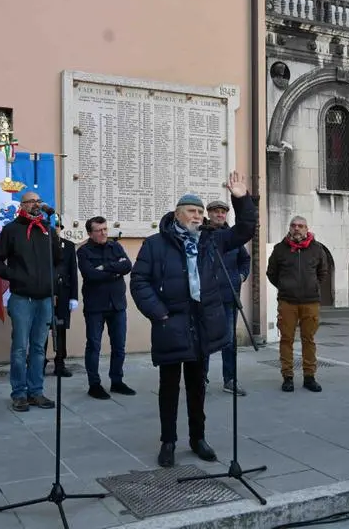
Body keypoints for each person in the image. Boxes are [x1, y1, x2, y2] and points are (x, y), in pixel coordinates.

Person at [130, 171, 256, 468]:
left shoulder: (211, 241)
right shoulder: (155, 244)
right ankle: (168, 441)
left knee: (198, 385)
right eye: (192, 210)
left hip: (202, 325)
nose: (198, 216)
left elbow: (245, 230)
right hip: (170, 324)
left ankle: (197, 438)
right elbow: (140, 282)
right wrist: (159, 312)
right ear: (177, 214)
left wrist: (242, 199)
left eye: (201, 212)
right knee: (169, 387)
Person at [0, 191, 61, 412]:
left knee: (39, 348)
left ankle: (36, 391)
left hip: (45, 299)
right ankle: (19, 393)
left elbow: (59, 260)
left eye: (39, 201)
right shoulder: (12, 230)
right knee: (20, 348)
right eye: (32, 202)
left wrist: (53, 278)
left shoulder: (47, 230)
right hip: (22, 299)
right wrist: (16, 276)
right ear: (22, 205)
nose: (37, 205)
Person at [266, 215, 329, 393]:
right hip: (287, 302)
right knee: (286, 339)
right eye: (293, 225)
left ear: (306, 229)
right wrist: (285, 286)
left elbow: (323, 272)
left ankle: (309, 376)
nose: (297, 228)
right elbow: (271, 273)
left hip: (311, 302)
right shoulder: (280, 249)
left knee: (308, 339)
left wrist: (313, 286)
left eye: (301, 226)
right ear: (290, 228)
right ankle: (287, 377)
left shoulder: (317, 249)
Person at [77, 216, 136, 399]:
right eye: (98, 230)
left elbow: (127, 265)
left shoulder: (115, 246)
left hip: (117, 304)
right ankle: (94, 384)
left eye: (105, 229)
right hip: (96, 305)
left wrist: (105, 267)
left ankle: (116, 381)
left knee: (119, 346)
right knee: (94, 345)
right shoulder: (83, 251)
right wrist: (114, 272)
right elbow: (90, 275)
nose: (103, 233)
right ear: (89, 233)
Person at [202, 200, 251, 396]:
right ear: (209, 214)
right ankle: (201, 378)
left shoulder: (233, 238)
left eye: (223, 212)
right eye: (216, 212)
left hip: (229, 297)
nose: (219, 215)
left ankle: (229, 379)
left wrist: (240, 276)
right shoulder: (202, 236)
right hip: (207, 299)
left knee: (229, 341)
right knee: (204, 340)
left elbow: (245, 260)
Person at [50, 219, 78, 378]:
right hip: (45, 291)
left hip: (63, 292)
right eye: (53, 226)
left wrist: (74, 297)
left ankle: (60, 363)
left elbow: (73, 272)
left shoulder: (68, 245)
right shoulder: (42, 244)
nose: (56, 229)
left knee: (61, 329)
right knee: (42, 328)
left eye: (58, 226)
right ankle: (39, 363)